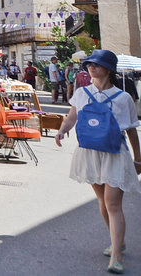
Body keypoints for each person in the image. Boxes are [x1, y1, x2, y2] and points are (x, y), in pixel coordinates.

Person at [55, 50, 141, 274]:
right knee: (103, 203)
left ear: (109, 69)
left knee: (113, 204)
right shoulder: (82, 93)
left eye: (97, 64)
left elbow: (131, 130)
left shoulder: (123, 98)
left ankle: (116, 256)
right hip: (90, 152)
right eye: (90, 64)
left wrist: (138, 158)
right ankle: (117, 241)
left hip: (114, 153)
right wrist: (62, 131)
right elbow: (73, 116)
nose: (92, 67)